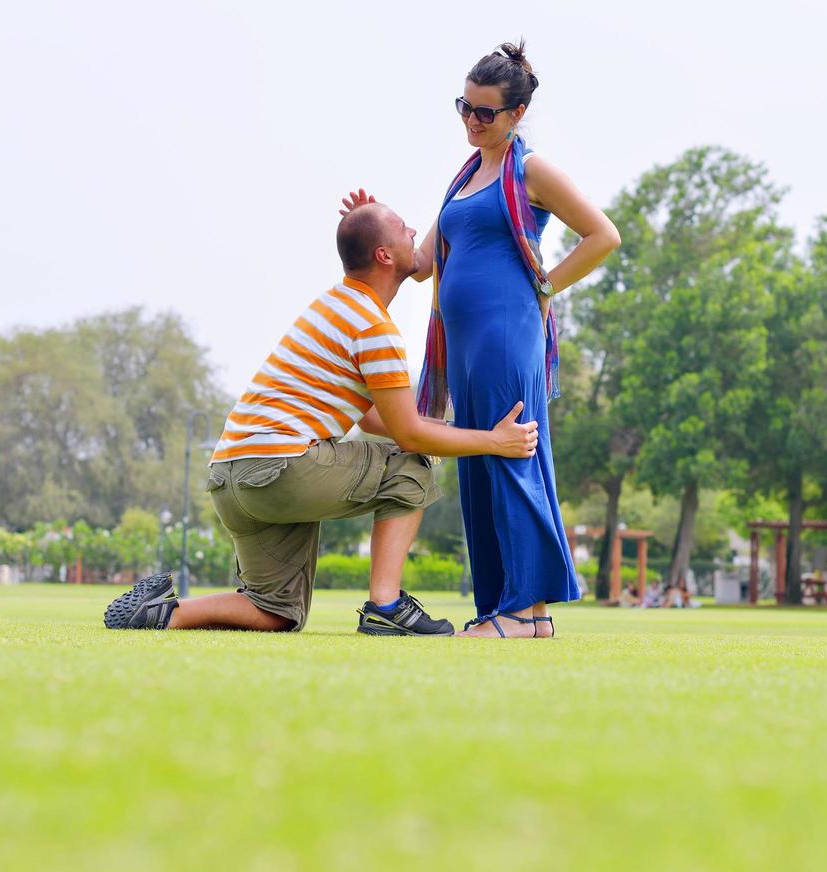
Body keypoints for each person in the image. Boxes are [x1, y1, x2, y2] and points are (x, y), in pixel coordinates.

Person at [103, 202, 540, 635]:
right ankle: (386, 607)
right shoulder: (373, 327)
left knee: (276, 611)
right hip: (280, 469)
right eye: (404, 228)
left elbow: (373, 420)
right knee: (414, 463)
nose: (413, 232)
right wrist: (493, 441)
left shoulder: (335, 306)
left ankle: (162, 613)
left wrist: (463, 431)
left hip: (231, 477)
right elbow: (409, 435)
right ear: (384, 256)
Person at [342, 39, 619, 639]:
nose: (471, 121)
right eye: (464, 108)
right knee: (479, 465)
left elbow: (603, 235)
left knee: (510, 456)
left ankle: (523, 611)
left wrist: (546, 287)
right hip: (460, 346)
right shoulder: (465, 177)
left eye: (485, 113)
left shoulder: (530, 168)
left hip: (504, 335)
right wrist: (368, 220)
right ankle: (514, 609)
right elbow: (418, 262)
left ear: (516, 115)